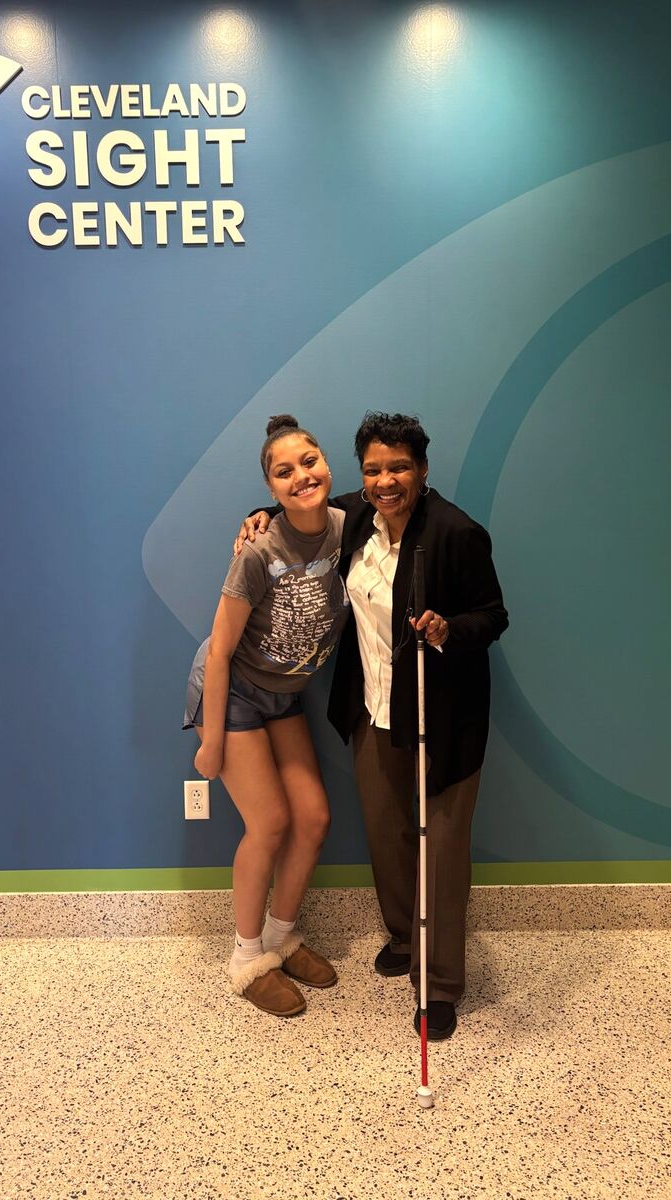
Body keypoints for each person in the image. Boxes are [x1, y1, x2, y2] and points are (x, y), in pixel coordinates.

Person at [237, 412, 508, 1039]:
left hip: (440, 719)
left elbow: (493, 615)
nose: (386, 481)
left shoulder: (456, 533)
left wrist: (448, 631)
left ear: (423, 470)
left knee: (439, 850)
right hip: (372, 710)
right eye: (374, 470)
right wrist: (259, 514)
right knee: (386, 835)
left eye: (399, 468)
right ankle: (402, 937)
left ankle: (438, 982)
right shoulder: (356, 517)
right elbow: (300, 502)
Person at [184, 414, 350, 1017]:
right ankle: (246, 956)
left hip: (284, 693)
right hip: (231, 692)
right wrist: (212, 740)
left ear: (327, 463)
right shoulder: (257, 550)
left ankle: (281, 937)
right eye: (284, 472)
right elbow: (221, 647)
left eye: (309, 461)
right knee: (272, 821)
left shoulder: (349, 528)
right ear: (272, 489)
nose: (301, 475)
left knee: (314, 817)